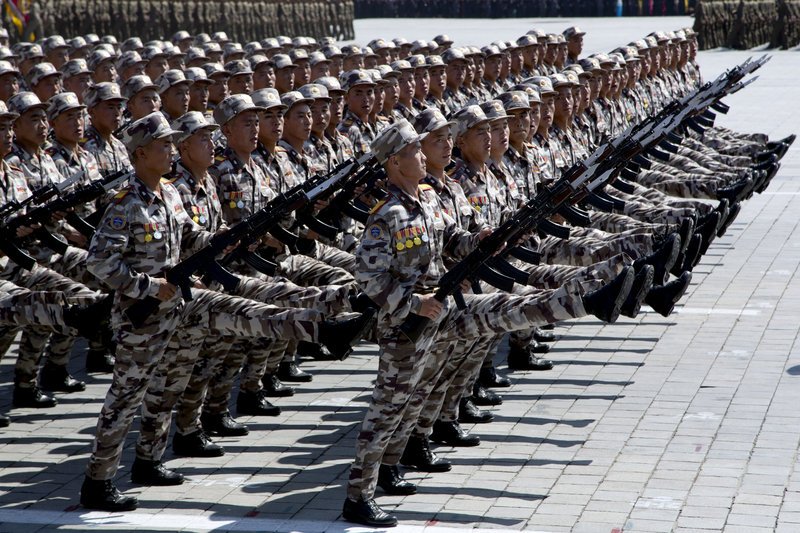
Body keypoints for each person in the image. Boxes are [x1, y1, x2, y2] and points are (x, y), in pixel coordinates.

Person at [343, 119, 639, 527]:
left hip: (444, 308)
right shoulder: (387, 215)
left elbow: (449, 238)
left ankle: (589, 300)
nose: (421, 156)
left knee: (500, 310)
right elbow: (368, 277)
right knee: (388, 408)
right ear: (394, 163)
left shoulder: (425, 199)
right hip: (405, 326)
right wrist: (412, 303)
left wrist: (478, 240)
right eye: (414, 151)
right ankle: (358, 497)